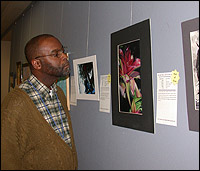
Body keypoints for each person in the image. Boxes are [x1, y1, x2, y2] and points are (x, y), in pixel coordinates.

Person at [1, 34, 78, 170]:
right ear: (36, 64)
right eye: (56, 54)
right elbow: (6, 158)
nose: (64, 57)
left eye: (62, 51)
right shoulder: (16, 102)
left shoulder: (58, 93)